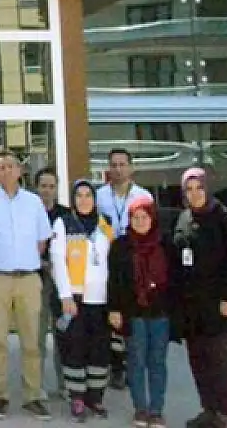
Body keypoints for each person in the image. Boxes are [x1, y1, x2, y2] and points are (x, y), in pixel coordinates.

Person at [0, 150, 53, 421]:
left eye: (8, 166)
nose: (3, 172)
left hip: (28, 279)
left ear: (19, 171)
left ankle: (33, 395)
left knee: (32, 341)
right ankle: (1, 395)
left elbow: (42, 240)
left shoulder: (34, 203)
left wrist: (24, 260)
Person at [173, 168, 227, 428]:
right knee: (198, 359)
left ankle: (224, 414)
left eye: (199, 188)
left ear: (207, 188)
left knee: (220, 360)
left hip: (219, 303)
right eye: (189, 189)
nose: (194, 194)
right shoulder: (183, 218)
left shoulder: (225, 218)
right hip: (193, 305)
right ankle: (209, 409)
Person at [109, 196, 177, 428]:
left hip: (160, 312)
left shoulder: (165, 244)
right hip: (133, 312)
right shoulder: (121, 246)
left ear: (152, 219)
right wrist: (114, 309)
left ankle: (156, 410)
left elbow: (176, 279)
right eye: (135, 217)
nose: (139, 222)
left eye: (144, 217)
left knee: (157, 361)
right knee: (136, 360)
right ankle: (140, 408)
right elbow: (114, 281)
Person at [50, 179, 116, 422]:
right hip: (74, 298)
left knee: (99, 350)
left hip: (101, 299)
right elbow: (58, 261)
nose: (84, 199)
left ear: (95, 199)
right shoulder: (63, 223)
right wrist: (65, 295)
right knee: (74, 348)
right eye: (79, 195)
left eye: (89, 195)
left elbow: (114, 260)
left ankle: (95, 398)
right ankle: (77, 398)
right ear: (73, 199)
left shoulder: (106, 224)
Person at [96, 148, 152, 390]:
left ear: (131, 167)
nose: (118, 169)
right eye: (114, 165)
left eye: (122, 164)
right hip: (107, 261)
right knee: (113, 313)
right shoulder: (99, 196)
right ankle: (116, 367)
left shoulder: (143, 196)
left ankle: (134, 365)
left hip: (135, 260)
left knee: (134, 313)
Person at [33, 166, 67, 398]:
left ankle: (64, 385)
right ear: (36, 188)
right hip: (36, 279)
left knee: (62, 334)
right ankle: (35, 386)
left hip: (60, 282)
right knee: (36, 336)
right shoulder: (29, 212)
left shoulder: (66, 215)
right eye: (43, 186)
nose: (47, 190)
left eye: (51, 186)